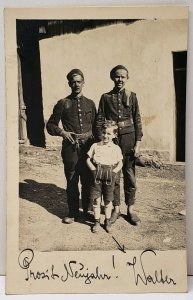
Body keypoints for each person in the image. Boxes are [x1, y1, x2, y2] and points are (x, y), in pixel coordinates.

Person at [46, 69, 96, 224]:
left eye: (79, 81)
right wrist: (62, 133)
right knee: (72, 179)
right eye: (73, 82)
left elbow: (96, 126)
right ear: (69, 83)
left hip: (88, 147)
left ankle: (87, 210)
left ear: (83, 83)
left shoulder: (90, 103)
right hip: (70, 148)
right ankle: (73, 212)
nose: (76, 84)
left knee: (88, 179)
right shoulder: (63, 103)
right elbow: (50, 125)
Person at [96, 65, 143, 225]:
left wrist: (137, 144)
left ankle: (130, 209)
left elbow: (137, 120)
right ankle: (116, 208)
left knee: (129, 175)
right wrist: (102, 142)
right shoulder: (105, 97)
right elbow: (100, 120)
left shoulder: (132, 96)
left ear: (127, 78)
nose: (120, 79)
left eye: (123, 76)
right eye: (117, 76)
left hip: (129, 139)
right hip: (112, 142)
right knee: (114, 175)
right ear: (112, 77)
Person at [87, 121, 123, 233]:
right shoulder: (95, 146)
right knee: (96, 199)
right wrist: (93, 169)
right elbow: (88, 159)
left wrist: (114, 172)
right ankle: (96, 221)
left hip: (109, 174)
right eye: (103, 133)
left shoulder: (116, 148)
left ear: (114, 135)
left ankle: (107, 221)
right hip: (97, 173)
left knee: (108, 200)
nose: (105, 136)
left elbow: (120, 163)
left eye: (108, 134)